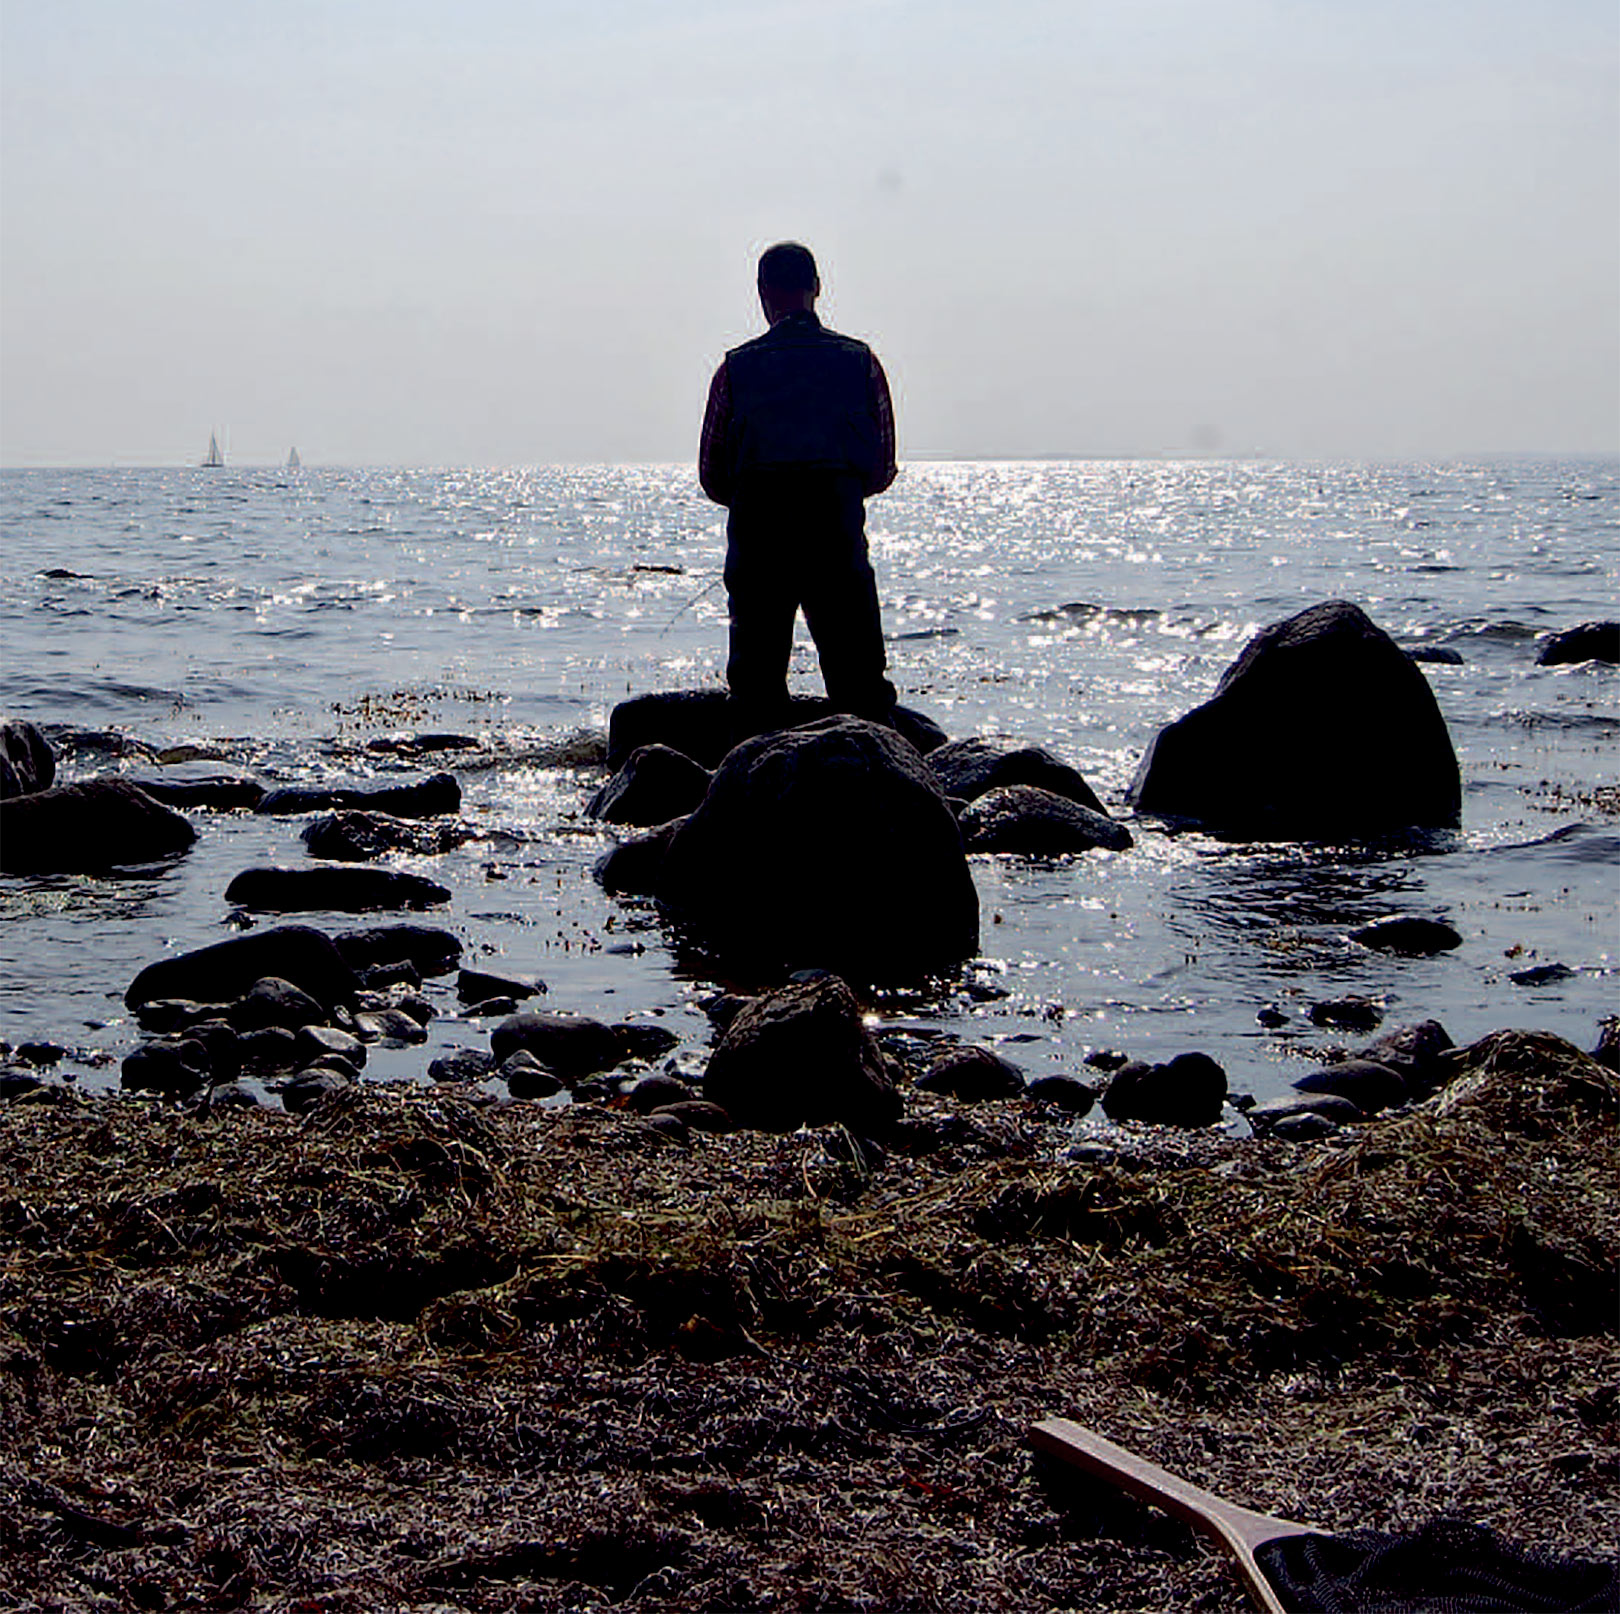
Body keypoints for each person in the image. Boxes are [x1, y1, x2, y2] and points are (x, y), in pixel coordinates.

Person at [699, 241, 899, 729]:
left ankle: (751, 793)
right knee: (860, 688)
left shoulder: (734, 370)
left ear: (762, 292)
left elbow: (712, 473)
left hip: (758, 541)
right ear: (817, 287)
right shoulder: (861, 362)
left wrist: (759, 494)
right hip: (837, 536)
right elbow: (882, 466)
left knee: (756, 690)